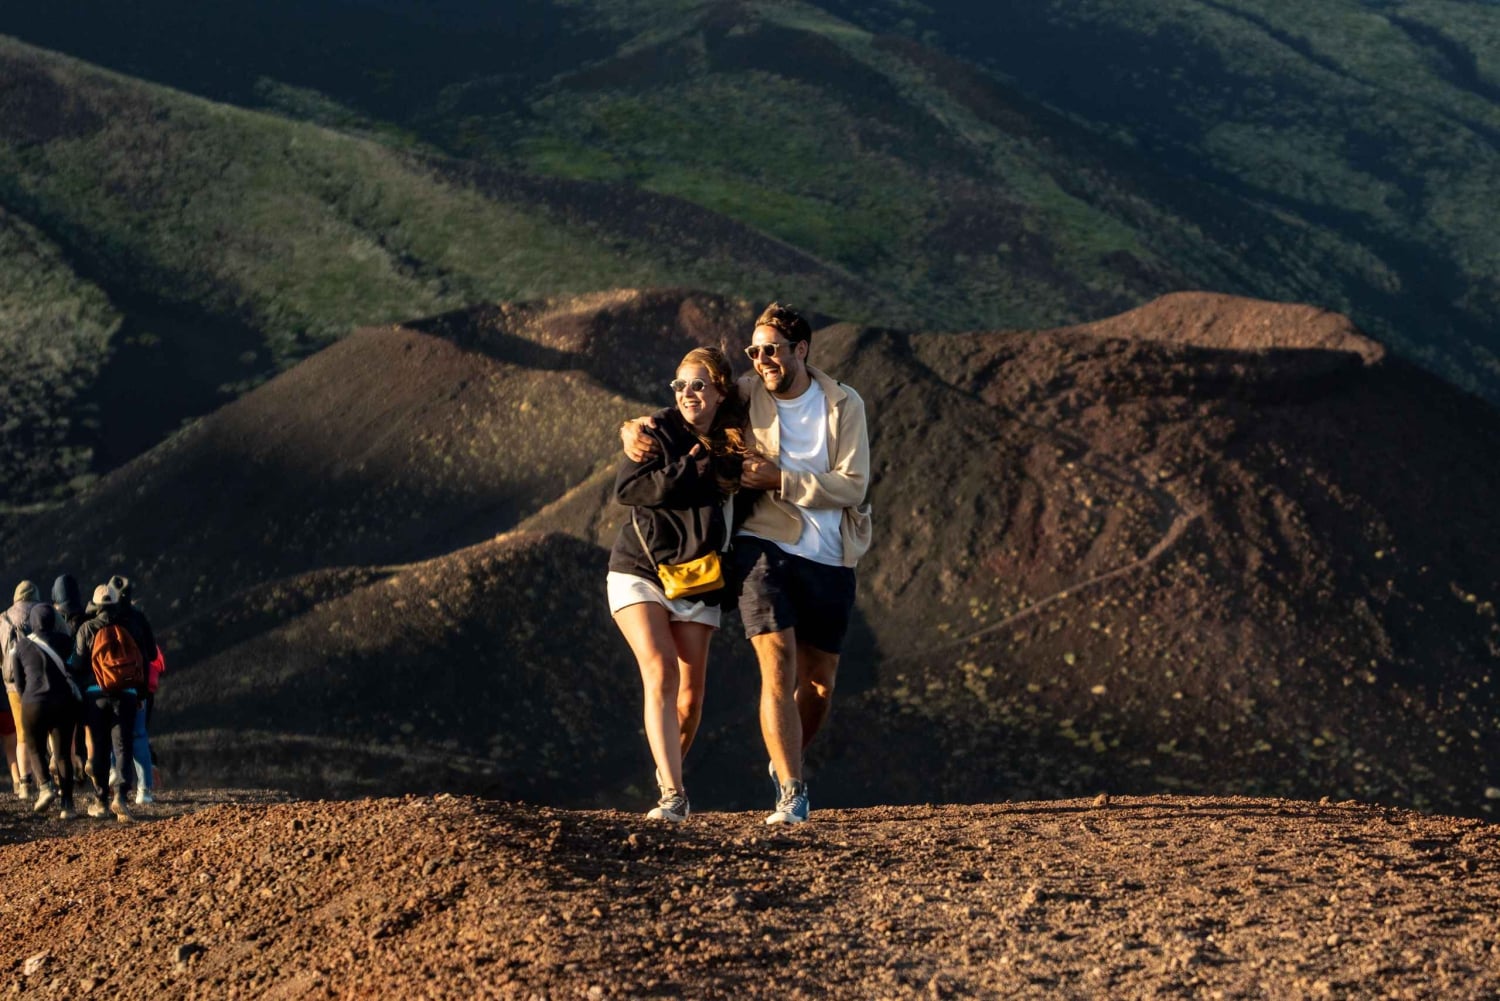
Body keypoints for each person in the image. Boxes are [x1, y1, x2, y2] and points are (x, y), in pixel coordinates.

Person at [623, 304, 872, 825]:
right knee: (775, 664)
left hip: (832, 552)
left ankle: (785, 758)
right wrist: (632, 428)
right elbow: (690, 405)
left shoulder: (843, 403)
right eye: (754, 351)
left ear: (800, 350)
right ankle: (791, 791)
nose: (761, 360)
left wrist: (781, 480)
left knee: (820, 684)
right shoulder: (745, 391)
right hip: (764, 545)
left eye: (771, 350)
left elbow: (853, 485)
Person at [609, 346, 746, 822]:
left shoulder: (736, 439)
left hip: (699, 576)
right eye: (680, 385)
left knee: (690, 699)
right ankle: (673, 794)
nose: (687, 393)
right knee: (661, 671)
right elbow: (627, 490)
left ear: (719, 391)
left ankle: (668, 771)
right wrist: (688, 468)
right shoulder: (656, 431)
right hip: (640, 569)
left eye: (698, 385)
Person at [71, 583, 152, 822]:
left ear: (96, 606)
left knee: (99, 746)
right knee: (123, 746)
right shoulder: (130, 626)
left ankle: (100, 801)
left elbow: (76, 664)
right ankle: (122, 798)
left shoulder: (87, 628)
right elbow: (145, 661)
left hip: (96, 696)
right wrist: (141, 694)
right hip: (126, 694)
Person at [13, 604, 82, 819]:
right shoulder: (65, 641)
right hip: (63, 702)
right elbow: (74, 667)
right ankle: (67, 806)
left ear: (32, 622)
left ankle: (45, 787)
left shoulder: (21, 646)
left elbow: (18, 683)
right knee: (62, 755)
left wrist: (29, 698)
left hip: (34, 703)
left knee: (35, 747)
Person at [110, 575, 159, 804]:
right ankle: (144, 791)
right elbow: (151, 654)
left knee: (112, 734)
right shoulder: (139, 618)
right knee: (139, 735)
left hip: (109, 686)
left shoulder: (103, 619)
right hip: (138, 688)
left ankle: (114, 783)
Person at [2, 581, 43, 801]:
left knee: (21, 735)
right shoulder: (43, 611)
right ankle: (44, 781)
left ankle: (24, 785)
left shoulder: (3, 618)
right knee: (43, 730)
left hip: (12, 685)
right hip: (40, 681)